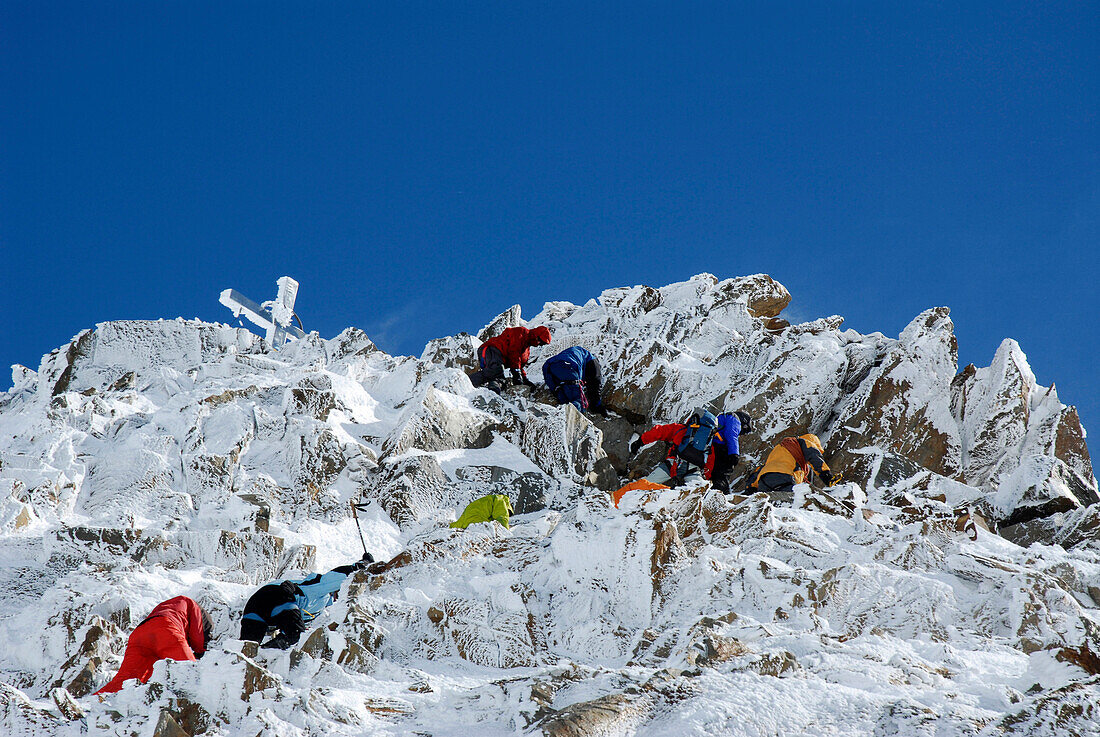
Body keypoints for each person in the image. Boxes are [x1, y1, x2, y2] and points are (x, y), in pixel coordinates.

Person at [240, 554, 374, 650]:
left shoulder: (322, 609)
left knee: (247, 648)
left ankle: (261, 655)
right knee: (294, 635)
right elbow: (338, 577)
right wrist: (361, 566)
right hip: (278, 595)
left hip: (256, 607)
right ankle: (269, 652)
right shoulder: (322, 590)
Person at [96, 596, 212, 694]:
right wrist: (199, 652)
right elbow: (198, 635)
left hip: (140, 634)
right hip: (166, 630)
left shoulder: (172, 605)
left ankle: (95, 701)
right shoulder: (194, 606)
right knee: (190, 672)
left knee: (127, 679)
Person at [629, 408, 719, 487]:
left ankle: (626, 498)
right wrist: (705, 477)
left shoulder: (679, 429)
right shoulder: (707, 441)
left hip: (672, 465)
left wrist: (640, 441)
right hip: (693, 470)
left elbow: (659, 432)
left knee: (645, 485)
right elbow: (709, 462)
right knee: (699, 493)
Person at [469, 326, 552, 394]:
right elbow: (514, 352)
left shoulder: (526, 351)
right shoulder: (521, 332)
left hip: (499, 358)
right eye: (539, 340)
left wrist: (525, 380)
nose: (538, 344)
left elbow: (520, 365)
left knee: (500, 380)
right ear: (536, 335)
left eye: (541, 343)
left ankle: (492, 393)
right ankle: (464, 382)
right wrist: (516, 373)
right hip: (492, 349)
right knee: (496, 370)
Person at [747, 433, 834, 493]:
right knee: (793, 505)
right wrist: (827, 476)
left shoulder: (780, 448)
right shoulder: (805, 443)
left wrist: (751, 489)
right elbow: (815, 457)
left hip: (764, 480)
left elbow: (762, 469)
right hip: (785, 477)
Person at [541, 346, 608, 416]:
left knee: (563, 399)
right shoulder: (593, 361)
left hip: (550, 367)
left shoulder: (580, 353)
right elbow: (595, 382)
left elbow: (546, 368)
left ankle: (560, 417)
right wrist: (597, 404)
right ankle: (569, 420)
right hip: (569, 366)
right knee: (579, 402)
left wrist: (554, 388)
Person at [706, 411, 754, 493]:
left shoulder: (722, 417)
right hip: (719, 448)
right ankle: (721, 494)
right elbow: (731, 435)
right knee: (722, 474)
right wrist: (734, 454)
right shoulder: (734, 419)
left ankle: (713, 493)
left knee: (714, 473)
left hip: (710, 446)